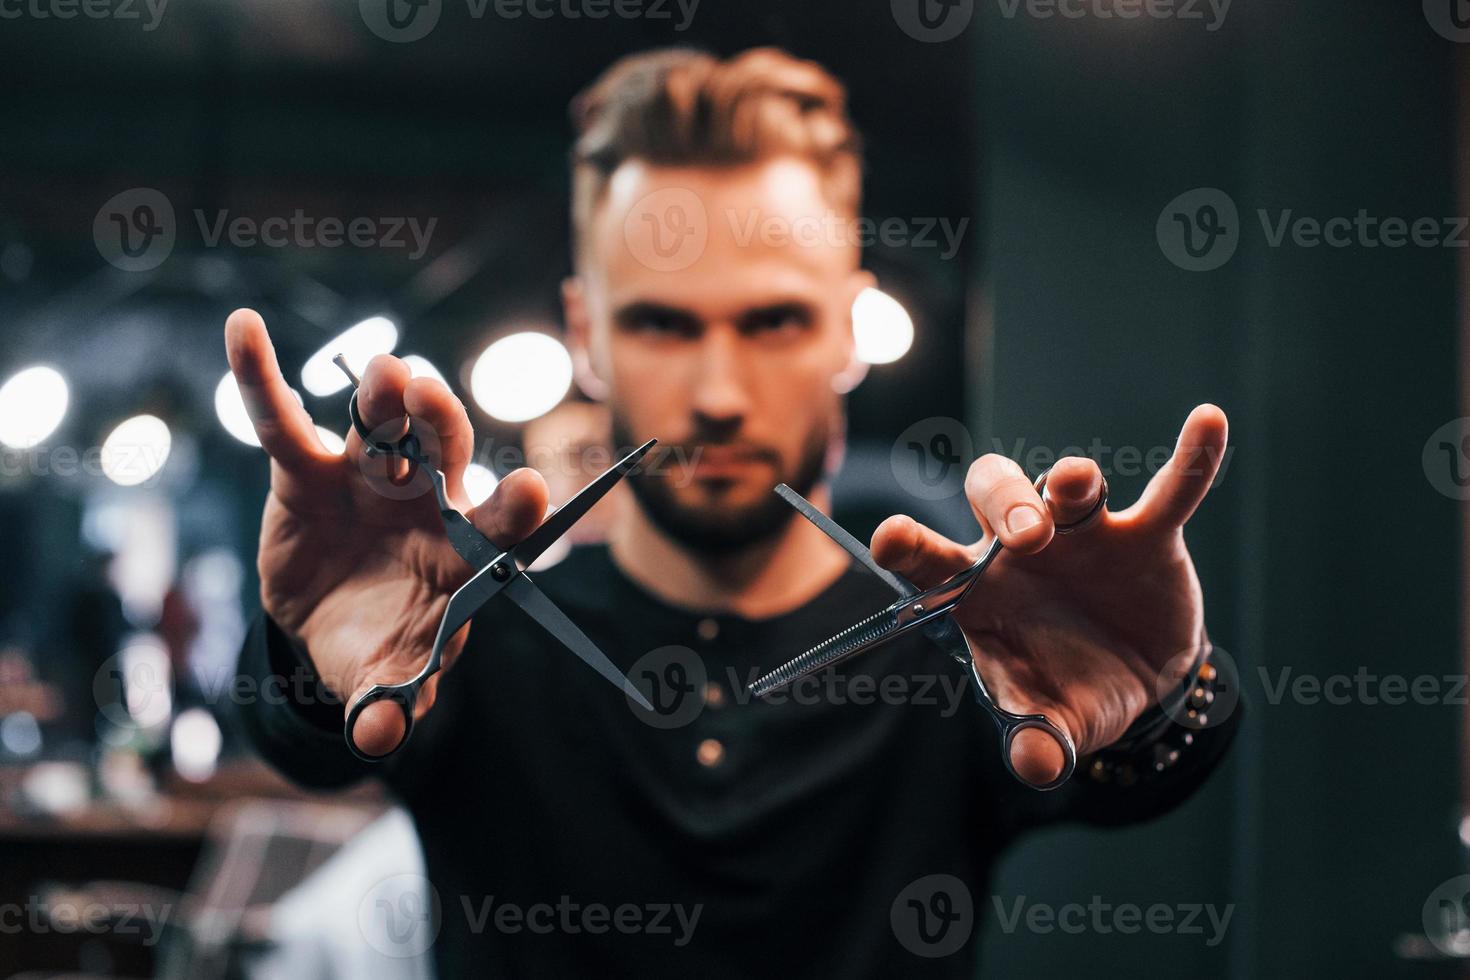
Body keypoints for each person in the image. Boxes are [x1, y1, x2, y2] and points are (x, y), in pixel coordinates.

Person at [225, 47, 1239, 978]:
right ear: (586, 333)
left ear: (850, 325)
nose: (717, 389)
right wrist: (310, 663)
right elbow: (310, 737)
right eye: (662, 321)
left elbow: (1139, 771)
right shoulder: (462, 640)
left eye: (773, 319)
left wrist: (1164, 690)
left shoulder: (973, 650)